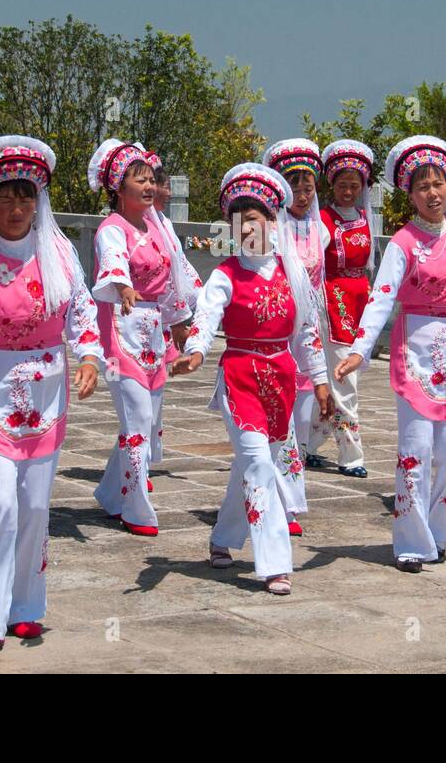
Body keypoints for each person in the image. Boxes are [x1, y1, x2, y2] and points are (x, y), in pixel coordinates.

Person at [0, 135, 105, 655]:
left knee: (35, 506)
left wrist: (91, 358)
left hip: (48, 389)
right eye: (4, 198)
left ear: (38, 201)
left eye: (24, 197)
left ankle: (26, 605)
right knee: (3, 504)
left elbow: (81, 313)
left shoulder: (58, 252)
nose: (15, 208)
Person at [172, 164, 332, 594]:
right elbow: (205, 318)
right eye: (239, 221)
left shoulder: (291, 271)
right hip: (240, 375)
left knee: (252, 463)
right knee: (259, 463)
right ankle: (275, 563)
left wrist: (320, 381)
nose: (248, 228)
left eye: (256, 218)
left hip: (280, 376)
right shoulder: (225, 274)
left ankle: (223, 537)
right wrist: (195, 352)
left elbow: (307, 332)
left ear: (272, 221)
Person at [334, 136, 446, 571]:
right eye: (422, 187)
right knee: (415, 451)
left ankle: (439, 529)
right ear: (410, 194)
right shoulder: (403, 242)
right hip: (416, 350)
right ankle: (410, 542)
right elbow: (381, 298)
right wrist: (361, 350)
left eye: (438, 183)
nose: (432, 193)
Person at [89, 139, 195, 537]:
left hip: (151, 331)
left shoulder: (154, 226)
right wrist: (121, 284)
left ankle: (111, 492)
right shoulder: (111, 230)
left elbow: (171, 276)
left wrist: (179, 320)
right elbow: (114, 262)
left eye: (152, 179)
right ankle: (136, 506)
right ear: (119, 188)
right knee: (137, 417)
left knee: (144, 419)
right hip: (119, 328)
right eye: (140, 180)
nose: (150, 187)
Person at [263, 138, 329, 536]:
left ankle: (288, 493)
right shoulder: (269, 228)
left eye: (308, 188)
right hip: (278, 330)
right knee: (278, 417)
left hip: (309, 331)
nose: (302, 195)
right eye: (295, 187)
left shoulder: (319, 229)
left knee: (302, 419)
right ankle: (280, 502)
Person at [308, 139, 376, 478]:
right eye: (342, 185)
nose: (348, 191)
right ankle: (352, 453)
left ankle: (307, 442)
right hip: (333, 300)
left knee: (347, 375)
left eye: (355, 185)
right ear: (331, 185)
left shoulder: (365, 217)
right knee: (342, 377)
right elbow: (311, 261)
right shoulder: (322, 220)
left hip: (360, 296)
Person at [143, 150, 201, 472]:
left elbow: (180, 269)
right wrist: (179, 317)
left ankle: (138, 465)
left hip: (160, 321)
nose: (161, 191)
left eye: (158, 183)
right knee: (142, 402)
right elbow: (160, 275)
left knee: (153, 399)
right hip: (144, 320)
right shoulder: (138, 226)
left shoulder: (162, 223)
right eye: (152, 182)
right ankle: (133, 467)